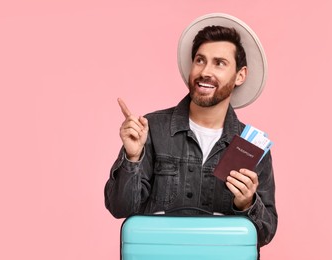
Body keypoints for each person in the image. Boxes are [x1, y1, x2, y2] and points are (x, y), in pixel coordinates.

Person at [104, 13, 277, 249]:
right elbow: (119, 208)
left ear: (240, 75)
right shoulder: (152, 129)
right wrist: (133, 158)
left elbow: (265, 234)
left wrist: (247, 203)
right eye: (200, 60)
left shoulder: (253, 147)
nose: (205, 71)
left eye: (219, 63)